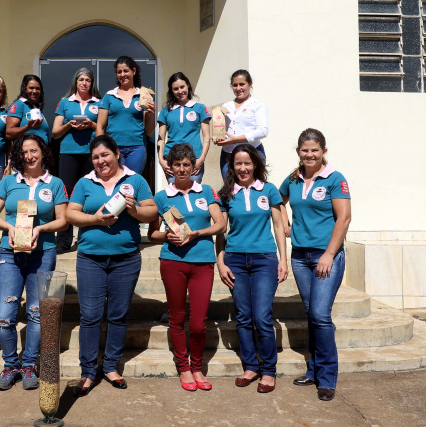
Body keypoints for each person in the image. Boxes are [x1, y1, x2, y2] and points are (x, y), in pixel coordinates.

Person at [65, 135, 158, 395]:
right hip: (90, 259)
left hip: (126, 259)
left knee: (117, 315)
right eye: (95, 157)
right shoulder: (85, 182)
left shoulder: (135, 180)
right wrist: (94, 219)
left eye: (105, 155)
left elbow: (153, 212)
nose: (100, 161)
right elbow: (71, 214)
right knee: (90, 315)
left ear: (117, 154)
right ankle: (87, 371)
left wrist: (134, 210)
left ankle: (110, 367)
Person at [0, 134, 69, 391]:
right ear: (18, 155)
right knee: (4, 316)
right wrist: (8, 227)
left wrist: (41, 229)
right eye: (24, 152)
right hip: (11, 254)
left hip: (42, 253)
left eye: (34, 151)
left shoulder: (55, 184)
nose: (29, 156)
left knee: (36, 313)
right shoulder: (9, 181)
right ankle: (10, 365)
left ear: (42, 152)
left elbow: (63, 220)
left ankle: (29, 364)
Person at [278, 128, 351, 401]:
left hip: (326, 257)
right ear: (299, 152)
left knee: (320, 315)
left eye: (315, 150)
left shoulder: (335, 179)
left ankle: (327, 377)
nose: (310, 155)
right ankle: (313, 369)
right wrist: (284, 220)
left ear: (324, 152)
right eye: (305, 150)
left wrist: (329, 254)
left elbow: (344, 219)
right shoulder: (294, 179)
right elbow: (277, 200)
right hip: (300, 257)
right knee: (313, 316)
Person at [147, 143, 225, 392]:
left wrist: (198, 233)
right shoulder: (161, 197)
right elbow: (152, 234)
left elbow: (220, 223)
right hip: (173, 261)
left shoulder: (207, 191)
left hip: (203, 261)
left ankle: (197, 366)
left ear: (194, 166)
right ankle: (184, 368)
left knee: (199, 322)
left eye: (186, 165)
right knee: (178, 317)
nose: (181, 169)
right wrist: (166, 236)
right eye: (177, 165)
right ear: (170, 168)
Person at [215, 144, 288, 394]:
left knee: (261, 317)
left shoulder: (269, 190)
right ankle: (250, 367)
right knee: (243, 317)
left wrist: (283, 259)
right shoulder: (227, 194)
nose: (243, 168)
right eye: (238, 163)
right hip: (235, 260)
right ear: (231, 167)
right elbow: (221, 232)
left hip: (264, 260)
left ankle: (268, 370)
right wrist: (221, 263)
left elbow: (279, 226)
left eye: (247, 163)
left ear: (255, 164)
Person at [52, 67, 101, 253]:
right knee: (66, 196)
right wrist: (69, 125)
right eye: (81, 79)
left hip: (91, 154)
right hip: (69, 153)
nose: (84, 83)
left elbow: (105, 129)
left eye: (88, 80)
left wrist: (92, 124)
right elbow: (55, 133)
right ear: (76, 81)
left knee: (88, 196)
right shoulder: (65, 102)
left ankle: (86, 238)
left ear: (92, 83)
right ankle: (64, 241)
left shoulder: (100, 102)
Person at [96, 56, 155, 174]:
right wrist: (99, 148)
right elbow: (100, 126)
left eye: (126, 71)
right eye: (119, 72)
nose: (123, 74)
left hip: (137, 147)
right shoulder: (109, 95)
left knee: (132, 182)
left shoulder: (143, 95)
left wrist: (152, 114)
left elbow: (148, 131)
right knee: (114, 180)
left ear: (133, 71)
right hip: (113, 148)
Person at [157, 72, 211, 183]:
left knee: (193, 193)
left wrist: (201, 159)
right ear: (171, 91)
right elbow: (161, 139)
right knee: (175, 194)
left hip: (194, 159)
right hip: (171, 159)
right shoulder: (165, 111)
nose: (180, 91)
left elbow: (206, 137)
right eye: (176, 89)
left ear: (188, 86)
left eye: (182, 87)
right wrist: (161, 160)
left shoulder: (200, 108)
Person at [214, 70, 269, 176]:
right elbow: (222, 129)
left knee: (254, 187)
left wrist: (235, 139)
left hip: (253, 152)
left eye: (242, 84)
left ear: (250, 84)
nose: (238, 88)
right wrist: (218, 138)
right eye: (235, 85)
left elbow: (263, 131)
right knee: (229, 188)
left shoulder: (257, 105)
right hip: (229, 154)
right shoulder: (226, 106)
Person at [6, 74, 50, 143]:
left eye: (38, 88)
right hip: (26, 152)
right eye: (31, 88)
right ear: (25, 89)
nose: (35, 91)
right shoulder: (19, 104)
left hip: (41, 151)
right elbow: (9, 133)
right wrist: (28, 127)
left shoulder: (36, 108)